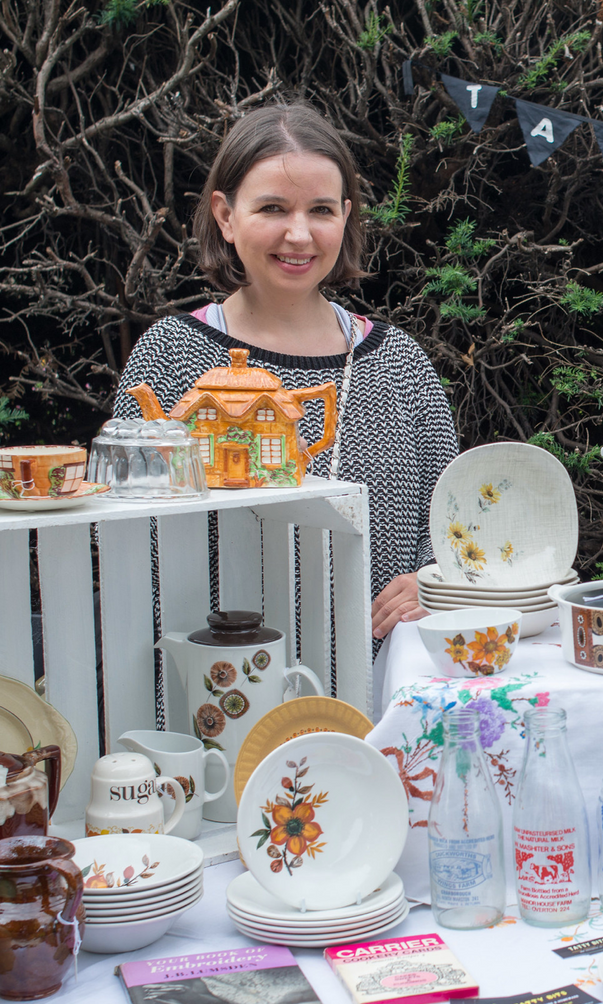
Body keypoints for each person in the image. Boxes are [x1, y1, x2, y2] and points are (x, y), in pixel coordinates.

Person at [113, 103, 454, 640]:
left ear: (345, 215)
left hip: (381, 683)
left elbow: (455, 515)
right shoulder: (171, 355)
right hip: (218, 677)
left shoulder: (399, 363)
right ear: (225, 216)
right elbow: (125, 539)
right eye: (273, 208)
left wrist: (436, 581)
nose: (299, 235)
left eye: (320, 210)